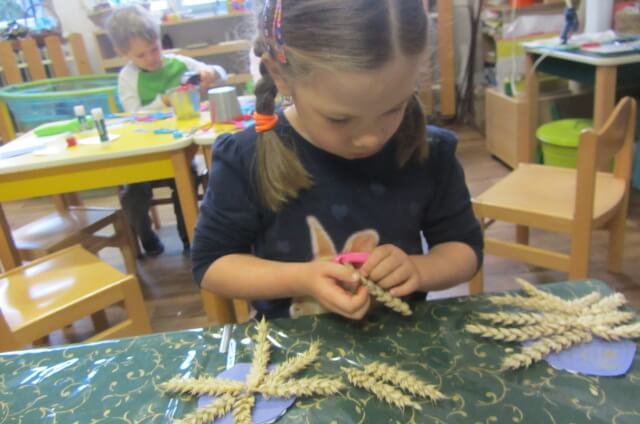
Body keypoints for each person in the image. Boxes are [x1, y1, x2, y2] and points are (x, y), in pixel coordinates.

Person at [192, 0, 483, 320]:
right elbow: (212, 263)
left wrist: (419, 269)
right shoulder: (247, 158)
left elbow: (464, 250)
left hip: (400, 339)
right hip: (290, 344)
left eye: (393, 109)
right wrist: (303, 278)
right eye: (339, 119)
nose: (370, 139)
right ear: (279, 75)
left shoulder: (430, 151)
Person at [106, 5, 226, 256]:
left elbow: (222, 74)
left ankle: (189, 239)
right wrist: (163, 100)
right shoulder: (128, 78)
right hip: (143, 153)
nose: (152, 58)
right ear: (122, 53)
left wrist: (211, 72)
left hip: (179, 151)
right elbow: (134, 113)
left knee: (186, 182)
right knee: (134, 195)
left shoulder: (179, 63)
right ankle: (146, 236)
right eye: (141, 55)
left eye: (155, 49)